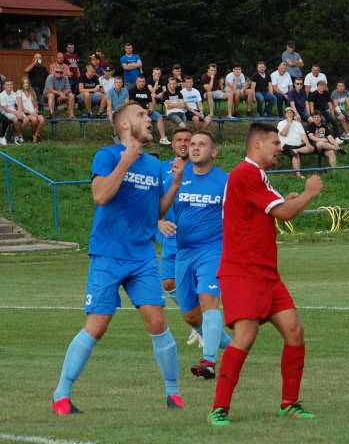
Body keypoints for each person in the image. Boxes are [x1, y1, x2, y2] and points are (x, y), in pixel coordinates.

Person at [51, 103, 184, 415]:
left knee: (158, 322)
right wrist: (125, 160)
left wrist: (175, 184)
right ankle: (61, 394)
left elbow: (156, 213)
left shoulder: (153, 165)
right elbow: (100, 196)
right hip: (109, 254)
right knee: (98, 325)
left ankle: (173, 393)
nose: (149, 119)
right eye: (141, 115)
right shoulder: (108, 156)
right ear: (124, 125)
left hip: (142, 256)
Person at [207, 123, 324, 427]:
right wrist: (310, 193)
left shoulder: (258, 176)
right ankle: (219, 407)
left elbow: (278, 207)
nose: (280, 148)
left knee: (294, 331)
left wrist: (291, 199)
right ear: (257, 144)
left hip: (266, 273)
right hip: (242, 271)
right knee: (246, 335)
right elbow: (284, 213)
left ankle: (289, 403)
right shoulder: (245, 173)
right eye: (275, 142)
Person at [159, 131, 232, 377]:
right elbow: (156, 208)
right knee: (191, 316)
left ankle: (208, 362)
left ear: (214, 152)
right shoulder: (178, 177)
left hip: (212, 250)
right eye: (192, 144)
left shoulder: (225, 181)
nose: (195, 147)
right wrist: (158, 221)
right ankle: (234, 350)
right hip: (183, 252)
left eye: (202, 144)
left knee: (208, 301)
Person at [157, 128, 192, 327]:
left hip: (197, 237)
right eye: (179, 139)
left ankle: (202, 323)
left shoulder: (200, 169)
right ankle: (196, 316)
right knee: (168, 283)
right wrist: (157, 221)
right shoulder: (162, 169)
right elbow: (148, 200)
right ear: (172, 144)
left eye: (187, 140)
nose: (183, 143)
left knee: (200, 284)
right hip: (172, 237)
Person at [278, 107, 316, 177]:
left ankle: (296, 150)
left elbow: (303, 135)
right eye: (287, 112)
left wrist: (308, 144)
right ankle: (298, 174)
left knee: (312, 148)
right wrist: (289, 123)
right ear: (285, 114)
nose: (289, 114)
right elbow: (283, 133)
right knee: (296, 155)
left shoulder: (298, 124)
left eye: (291, 112)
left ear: (293, 114)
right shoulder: (281, 123)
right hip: (287, 145)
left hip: (298, 145)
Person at [130, 75, 168, 145]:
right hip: (137, 112)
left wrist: (150, 110)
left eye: (143, 81)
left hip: (147, 112)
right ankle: (144, 140)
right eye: (140, 81)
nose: (141, 83)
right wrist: (141, 111)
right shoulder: (132, 90)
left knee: (159, 117)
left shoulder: (147, 90)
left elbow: (150, 102)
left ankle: (163, 138)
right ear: (136, 82)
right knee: (145, 121)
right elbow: (132, 104)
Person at [17, 76, 45, 142]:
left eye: (27, 83)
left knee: (42, 119)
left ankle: (35, 134)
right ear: (22, 84)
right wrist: (30, 112)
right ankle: (33, 136)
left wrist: (35, 110)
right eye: (24, 83)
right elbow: (20, 106)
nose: (26, 84)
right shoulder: (19, 92)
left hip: (34, 112)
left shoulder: (32, 92)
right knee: (34, 119)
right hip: (26, 112)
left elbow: (35, 105)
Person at [1, 79, 26, 145]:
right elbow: (6, 109)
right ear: (4, 86)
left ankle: (17, 135)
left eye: (11, 84)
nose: (10, 86)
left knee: (26, 119)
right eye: (8, 85)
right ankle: (19, 136)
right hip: (5, 112)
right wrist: (17, 113)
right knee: (15, 119)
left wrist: (20, 112)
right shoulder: (1, 95)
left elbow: (19, 104)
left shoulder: (14, 94)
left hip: (14, 111)